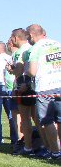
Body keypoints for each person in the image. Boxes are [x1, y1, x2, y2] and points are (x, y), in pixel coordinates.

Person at [24, 24, 61, 159]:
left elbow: (32, 71)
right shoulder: (57, 44)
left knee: (47, 121)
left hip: (45, 87)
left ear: (31, 35)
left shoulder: (36, 48)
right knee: (60, 119)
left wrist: (26, 72)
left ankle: (55, 152)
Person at [9, 28, 35, 155]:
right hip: (33, 85)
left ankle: (28, 147)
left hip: (23, 87)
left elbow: (19, 71)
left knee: (25, 119)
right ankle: (47, 146)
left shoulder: (20, 52)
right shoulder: (32, 48)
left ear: (15, 38)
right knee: (37, 118)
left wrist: (11, 70)